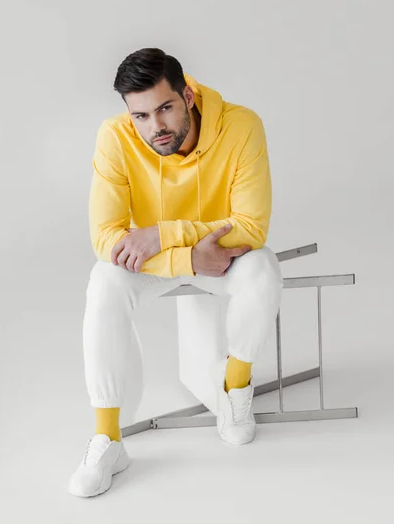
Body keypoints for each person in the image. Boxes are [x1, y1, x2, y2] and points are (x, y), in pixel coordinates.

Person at [69, 48, 284, 498]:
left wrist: (162, 234)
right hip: (175, 260)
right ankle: (108, 438)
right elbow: (106, 238)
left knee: (263, 266)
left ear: (187, 94)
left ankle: (235, 388)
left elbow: (251, 227)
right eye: (141, 116)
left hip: (220, 255)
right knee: (103, 280)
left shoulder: (242, 125)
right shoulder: (114, 137)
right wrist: (185, 258)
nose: (156, 128)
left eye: (165, 108)